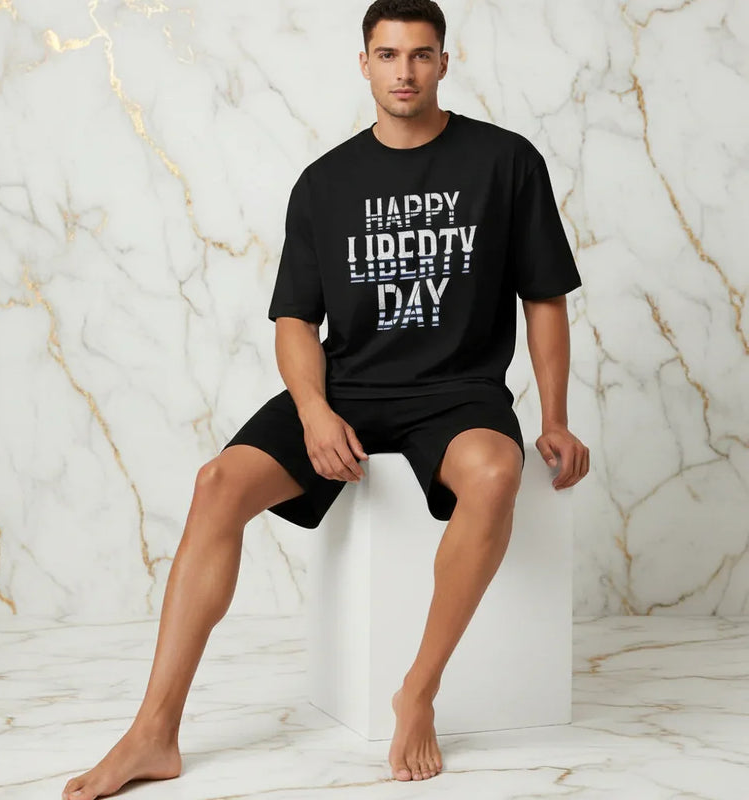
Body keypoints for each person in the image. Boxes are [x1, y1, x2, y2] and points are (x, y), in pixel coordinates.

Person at [61, 1, 589, 797]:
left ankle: (418, 688)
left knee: (493, 475)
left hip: (457, 391)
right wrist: (312, 409)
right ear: (364, 64)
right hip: (348, 387)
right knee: (216, 486)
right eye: (387, 55)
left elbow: (543, 297)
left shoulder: (505, 161)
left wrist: (553, 417)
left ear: (445, 62)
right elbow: (294, 320)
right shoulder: (325, 183)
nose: (404, 72)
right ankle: (153, 733)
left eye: (419, 55)